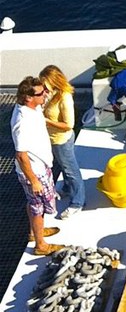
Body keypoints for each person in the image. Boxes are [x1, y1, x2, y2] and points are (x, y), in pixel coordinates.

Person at [11, 76, 63, 255]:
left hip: (41, 167)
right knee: (38, 208)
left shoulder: (34, 107)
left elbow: (48, 96)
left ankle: (34, 232)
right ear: (28, 98)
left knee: (33, 203)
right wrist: (33, 180)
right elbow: (21, 154)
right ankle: (41, 245)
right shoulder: (22, 121)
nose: (45, 95)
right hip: (35, 172)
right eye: (41, 93)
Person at [40, 65, 86, 219]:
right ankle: (67, 188)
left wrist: (45, 121)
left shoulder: (64, 97)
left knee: (71, 171)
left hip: (61, 141)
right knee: (63, 166)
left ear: (54, 81)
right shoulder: (51, 94)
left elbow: (69, 125)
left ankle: (78, 202)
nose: (43, 88)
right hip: (52, 139)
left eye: (45, 84)